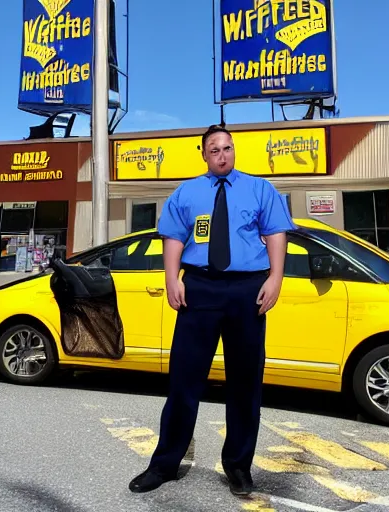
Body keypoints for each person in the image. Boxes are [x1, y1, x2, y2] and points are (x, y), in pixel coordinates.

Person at [129, 124, 295, 496]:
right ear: (204, 154)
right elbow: (173, 236)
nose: (223, 155)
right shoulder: (187, 192)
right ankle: (164, 464)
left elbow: (276, 234)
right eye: (215, 149)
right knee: (184, 381)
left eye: (228, 148)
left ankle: (238, 467)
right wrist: (173, 279)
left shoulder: (259, 189)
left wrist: (275, 279)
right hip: (199, 288)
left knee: (244, 384)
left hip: (246, 291)